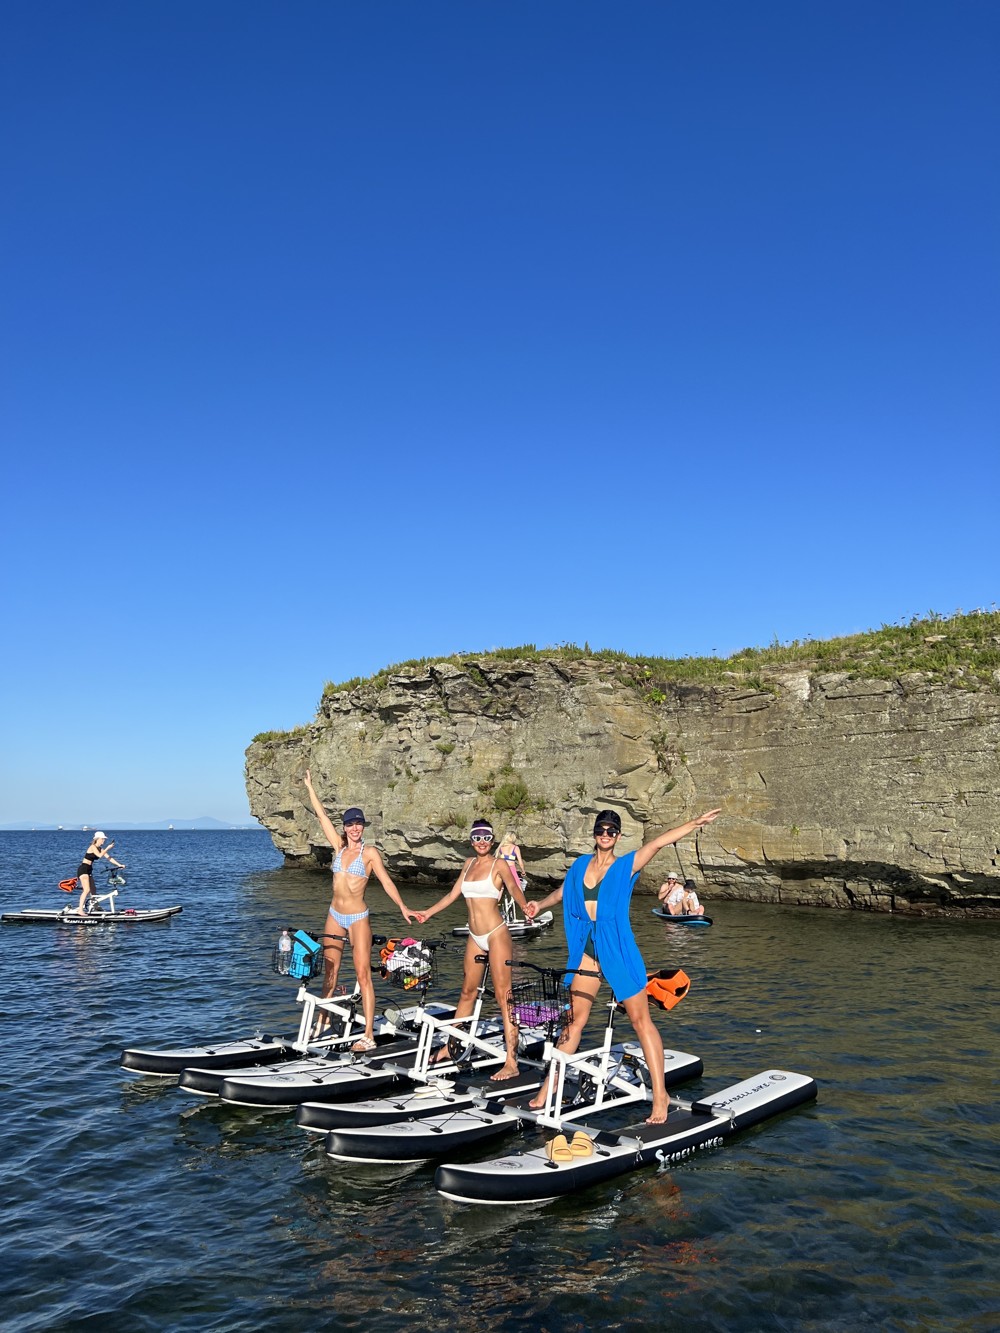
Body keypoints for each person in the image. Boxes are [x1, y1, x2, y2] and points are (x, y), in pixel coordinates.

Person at [527, 806, 721, 1123]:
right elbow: (564, 892)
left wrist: (694, 823)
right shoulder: (579, 865)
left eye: (611, 831)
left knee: (640, 1020)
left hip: (617, 949)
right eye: (601, 830)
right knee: (573, 1022)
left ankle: (661, 1095)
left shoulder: (624, 867)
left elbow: (657, 843)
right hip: (586, 949)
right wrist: (540, 903)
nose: (605, 835)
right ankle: (550, 1085)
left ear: (617, 836)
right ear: (595, 833)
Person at [302, 769, 419, 1052]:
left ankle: (368, 1034)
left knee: (362, 974)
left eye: (359, 824)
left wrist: (403, 906)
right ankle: (324, 1020)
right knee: (330, 970)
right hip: (334, 914)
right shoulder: (338, 847)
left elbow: (387, 882)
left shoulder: (370, 854)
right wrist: (309, 787)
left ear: (363, 827)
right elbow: (321, 817)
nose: (355, 828)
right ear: (344, 827)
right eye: (350, 824)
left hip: (357, 918)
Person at [415, 818, 537, 1080]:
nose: (481, 842)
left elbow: (514, 887)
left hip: (496, 934)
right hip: (474, 934)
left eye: (486, 838)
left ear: (492, 841)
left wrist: (526, 907)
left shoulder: (499, 864)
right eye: (477, 838)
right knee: (467, 991)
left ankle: (511, 1061)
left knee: (504, 996)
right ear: (471, 840)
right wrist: (428, 913)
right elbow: (452, 895)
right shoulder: (468, 864)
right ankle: (451, 1046)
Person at [71, 832, 125, 915]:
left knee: (93, 890)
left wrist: (119, 865)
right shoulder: (92, 847)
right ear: (97, 839)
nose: (103, 841)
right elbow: (99, 856)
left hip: (89, 869)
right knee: (86, 890)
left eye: (104, 839)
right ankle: (80, 910)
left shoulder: (100, 848)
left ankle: (95, 906)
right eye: (102, 839)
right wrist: (108, 848)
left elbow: (109, 858)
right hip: (83, 869)